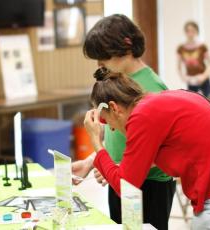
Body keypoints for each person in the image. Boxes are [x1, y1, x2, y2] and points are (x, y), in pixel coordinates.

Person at [84, 70, 210, 229]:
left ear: (114, 108)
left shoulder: (142, 116)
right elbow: (148, 162)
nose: (111, 129)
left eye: (106, 121)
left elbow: (125, 185)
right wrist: (113, 168)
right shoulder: (156, 103)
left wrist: (96, 141)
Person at [72, 14, 175, 230]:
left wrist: (118, 167)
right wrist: (91, 162)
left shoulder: (152, 88)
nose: (100, 65)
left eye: (104, 58)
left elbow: (163, 150)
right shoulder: (119, 83)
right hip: (121, 178)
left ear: (126, 48)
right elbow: (116, 135)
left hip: (150, 185)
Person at [177, 21, 210, 96]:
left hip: (203, 79)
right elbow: (179, 66)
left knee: (208, 101)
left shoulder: (202, 47)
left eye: (192, 31)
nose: (190, 34)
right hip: (191, 81)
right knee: (192, 101)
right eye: (188, 31)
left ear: (197, 32)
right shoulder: (181, 48)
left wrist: (204, 76)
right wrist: (183, 77)